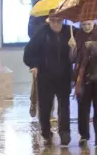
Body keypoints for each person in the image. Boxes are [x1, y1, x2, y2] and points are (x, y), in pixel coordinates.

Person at [24, 11, 76, 144]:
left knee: (64, 105)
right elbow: (29, 51)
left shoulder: (70, 31)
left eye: (59, 21)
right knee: (45, 106)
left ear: (63, 20)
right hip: (45, 76)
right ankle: (46, 132)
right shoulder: (42, 33)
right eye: (53, 21)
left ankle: (64, 132)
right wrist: (34, 65)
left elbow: (86, 35)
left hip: (64, 75)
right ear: (49, 21)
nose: (56, 24)